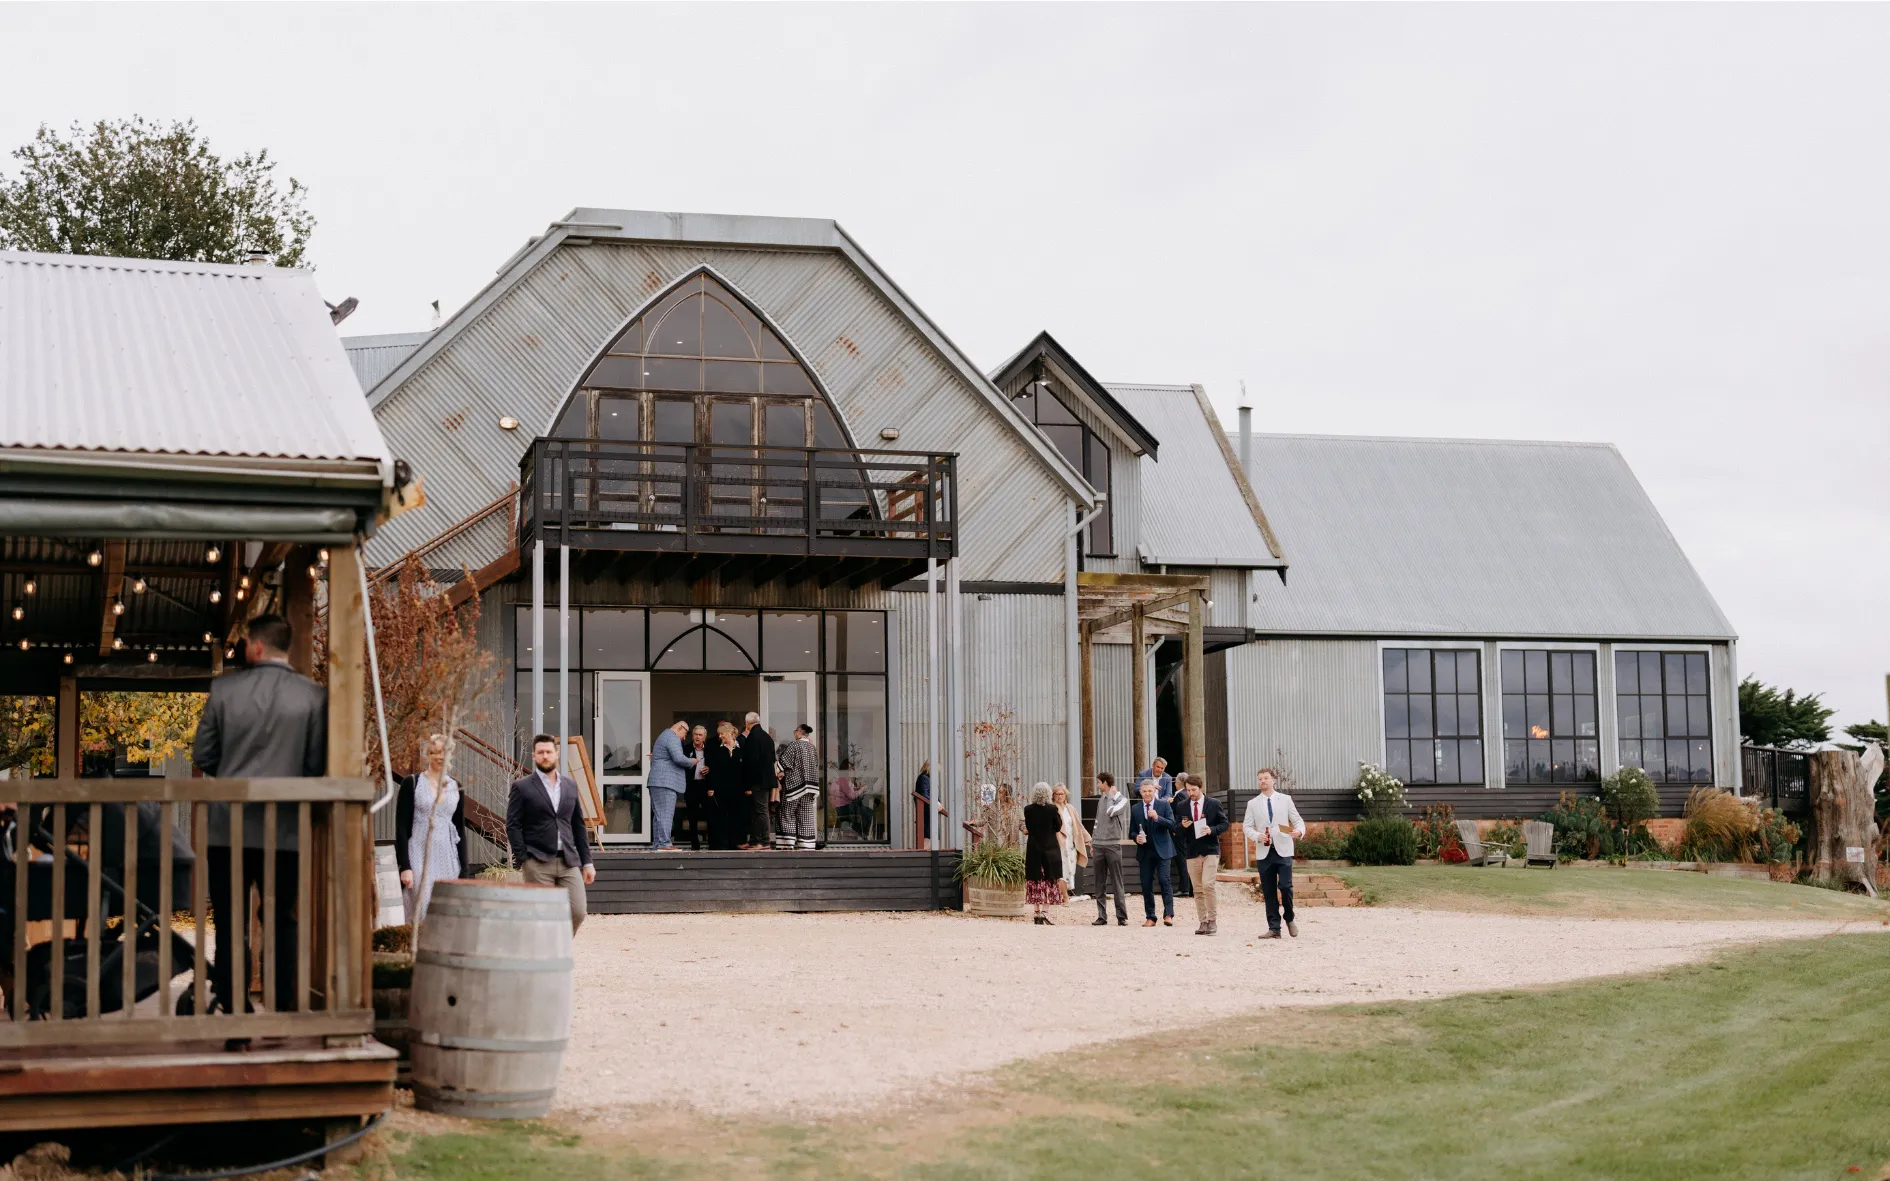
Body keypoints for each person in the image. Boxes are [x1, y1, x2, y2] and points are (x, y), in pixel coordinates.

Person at [191, 613, 324, 1013]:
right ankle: (281, 1008)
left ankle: (235, 1015)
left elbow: (203, 755)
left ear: (258, 646)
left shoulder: (225, 690)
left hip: (226, 827)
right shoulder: (313, 696)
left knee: (231, 923)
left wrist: (235, 774)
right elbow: (315, 765)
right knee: (282, 918)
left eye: (246, 643)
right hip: (285, 827)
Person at [506, 734, 596, 932]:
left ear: (556, 754)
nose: (545, 756)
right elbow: (512, 825)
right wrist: (523, 858)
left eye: (548, 752)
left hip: (568, 861)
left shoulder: (570, 786)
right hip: (537, 861)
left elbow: (578, 826)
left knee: (578, 911)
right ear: (534, 756)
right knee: (543, 915)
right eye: (540, 753)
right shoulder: (522, 787)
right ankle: (545, 957)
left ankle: (557, 949)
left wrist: (587, 862)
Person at [396, 734, 466, 924]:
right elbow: (401, 827)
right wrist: (405, 866)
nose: (439, 756)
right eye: (434, 752)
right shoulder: (412, 783)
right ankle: (417, 949)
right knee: (424, 904)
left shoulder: (456, 786)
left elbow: (460, 829)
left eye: (444, 752)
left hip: (448, 855)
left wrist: (464, 870)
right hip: (419, 853)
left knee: (446, 908)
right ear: (428, 754)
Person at [1243, 767, 1305, 939]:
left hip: (1283, 850)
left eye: (1266, 778)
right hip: (1265, 852)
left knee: (1286, 887)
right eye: (1260, 779)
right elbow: (1246, 826)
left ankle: (1289, 917)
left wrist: (1299, 831)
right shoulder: (1253, 803)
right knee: (1269, 891)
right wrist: (1257, 836)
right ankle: (1274, 928)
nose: (1263, 781)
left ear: (1273, 780)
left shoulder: (1285, 800)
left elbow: (1298, 820)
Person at [1173, 773, 1229, 935]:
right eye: (1188, 790)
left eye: (1194, 790)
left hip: (1210, 849)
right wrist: (1182, 826)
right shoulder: (1182, 806)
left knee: (1208, 884)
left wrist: (1211, 830)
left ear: (1201, 788)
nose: (1191, 793)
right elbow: (1176, 830)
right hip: (1192, 851)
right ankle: (1202, 922)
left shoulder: (1213, 803)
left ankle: (1212, 920)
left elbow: (1224, 824)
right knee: (1197, 889)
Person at [1128, 778, 1176, 927]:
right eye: (1144, 791)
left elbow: (1172, 824)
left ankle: (1168, 914)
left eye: (1150, 791)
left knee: (1164, 880)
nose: (1147, 794)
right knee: (1146, 884)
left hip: (1163, 849)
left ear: (1154, 791)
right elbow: (1132, 831)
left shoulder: (1163, 805)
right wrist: (1137, 838)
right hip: (1145, 851)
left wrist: (1157, 817)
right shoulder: (1135, 808)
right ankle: (1150, 916)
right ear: (1140, 793)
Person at [1088, 771, 1131, 926]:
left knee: (1116, 881)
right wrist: (1093, 842)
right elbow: (1097, 822)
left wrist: (1113, 797)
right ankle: (1102, 916)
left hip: (1113, 845)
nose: (1098, 785)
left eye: (1099, 782)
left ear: (1105, 783)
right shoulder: (1101, 799)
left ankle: (1121, 916)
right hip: (1099, 845)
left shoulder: (1122, 800)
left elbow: (1111, 811)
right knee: (1099, 882)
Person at [1022, 782, 1066, 924]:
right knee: (1049, 879)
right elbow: (1058, 826)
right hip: (1049, 850)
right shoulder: (1052, 809)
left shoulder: (1028, 809)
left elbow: (1029, 826)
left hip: (1034, 849)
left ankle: (1036, 912)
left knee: (1035, 880)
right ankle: (1046, 911)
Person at [647, 720, 693, 851]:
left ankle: (658, 844)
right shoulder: (672, 737)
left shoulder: (664, 735)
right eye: (685, 733)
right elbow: (678, 758)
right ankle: (664, 844)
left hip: (658, 781)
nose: (684, 738)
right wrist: (692, 762)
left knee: (659, 815)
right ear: (680, 728)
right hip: (664, 782)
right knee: (665, 814)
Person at [776, 723, 821, 851]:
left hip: (794, 787)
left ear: (799, 732)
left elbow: (782, 764)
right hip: (811, 787)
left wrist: (776, 772)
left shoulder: (794, 745)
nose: (794, 733)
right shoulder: (812, 748)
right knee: (806, 816)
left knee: (787, 813)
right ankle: (806, 846)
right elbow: (815, 765)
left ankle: (787, 845)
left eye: (795, 731)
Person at [739, 711, 775, 850]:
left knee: (760, 811)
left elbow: (750, 763)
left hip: (757, 781)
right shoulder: (767, 737)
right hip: (765, 780)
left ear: (747, 723)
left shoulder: (752, 738)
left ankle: (765, 842)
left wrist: (747, 784)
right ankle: (755, 841)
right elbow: (772, 759)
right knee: (756, 811)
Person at [706, 720, 745, 850]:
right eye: (719, 734)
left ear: (729, 733)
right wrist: (711, 787)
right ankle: (722, 844)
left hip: (738, 789)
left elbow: (747, 770)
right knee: (721, 817)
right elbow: (713, 770)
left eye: (722, 734)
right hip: (721, 789)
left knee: (736, 816)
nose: (720, 736)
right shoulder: (718, 750)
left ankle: (736, 843)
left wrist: (748, 787)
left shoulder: (742, 749)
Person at [1050, 783, 1087, 896]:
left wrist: (1087, 837)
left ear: (1065, 795)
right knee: (1061, 867)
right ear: (1053, 795)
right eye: (1057, 794)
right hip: (1058, 842)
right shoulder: (1052, 808)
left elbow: (1078, 824)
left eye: (1062, 794)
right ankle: (1061, 894)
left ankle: (1064, 892)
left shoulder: (1070, 808)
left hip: (1071, 842)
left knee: (1071, 867)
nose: (1060, 796)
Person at [684, 724, 712, 850]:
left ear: (704, 737)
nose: (697, 737)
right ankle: (695, 845)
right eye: (695, 734)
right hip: (692, 786)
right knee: (692, 816)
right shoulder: (685, 749)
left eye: (700, 735)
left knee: (710, 815)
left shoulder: (710, 750)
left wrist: (709, 769)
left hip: (705, 786)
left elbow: (716, 765)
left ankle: (712, 842)